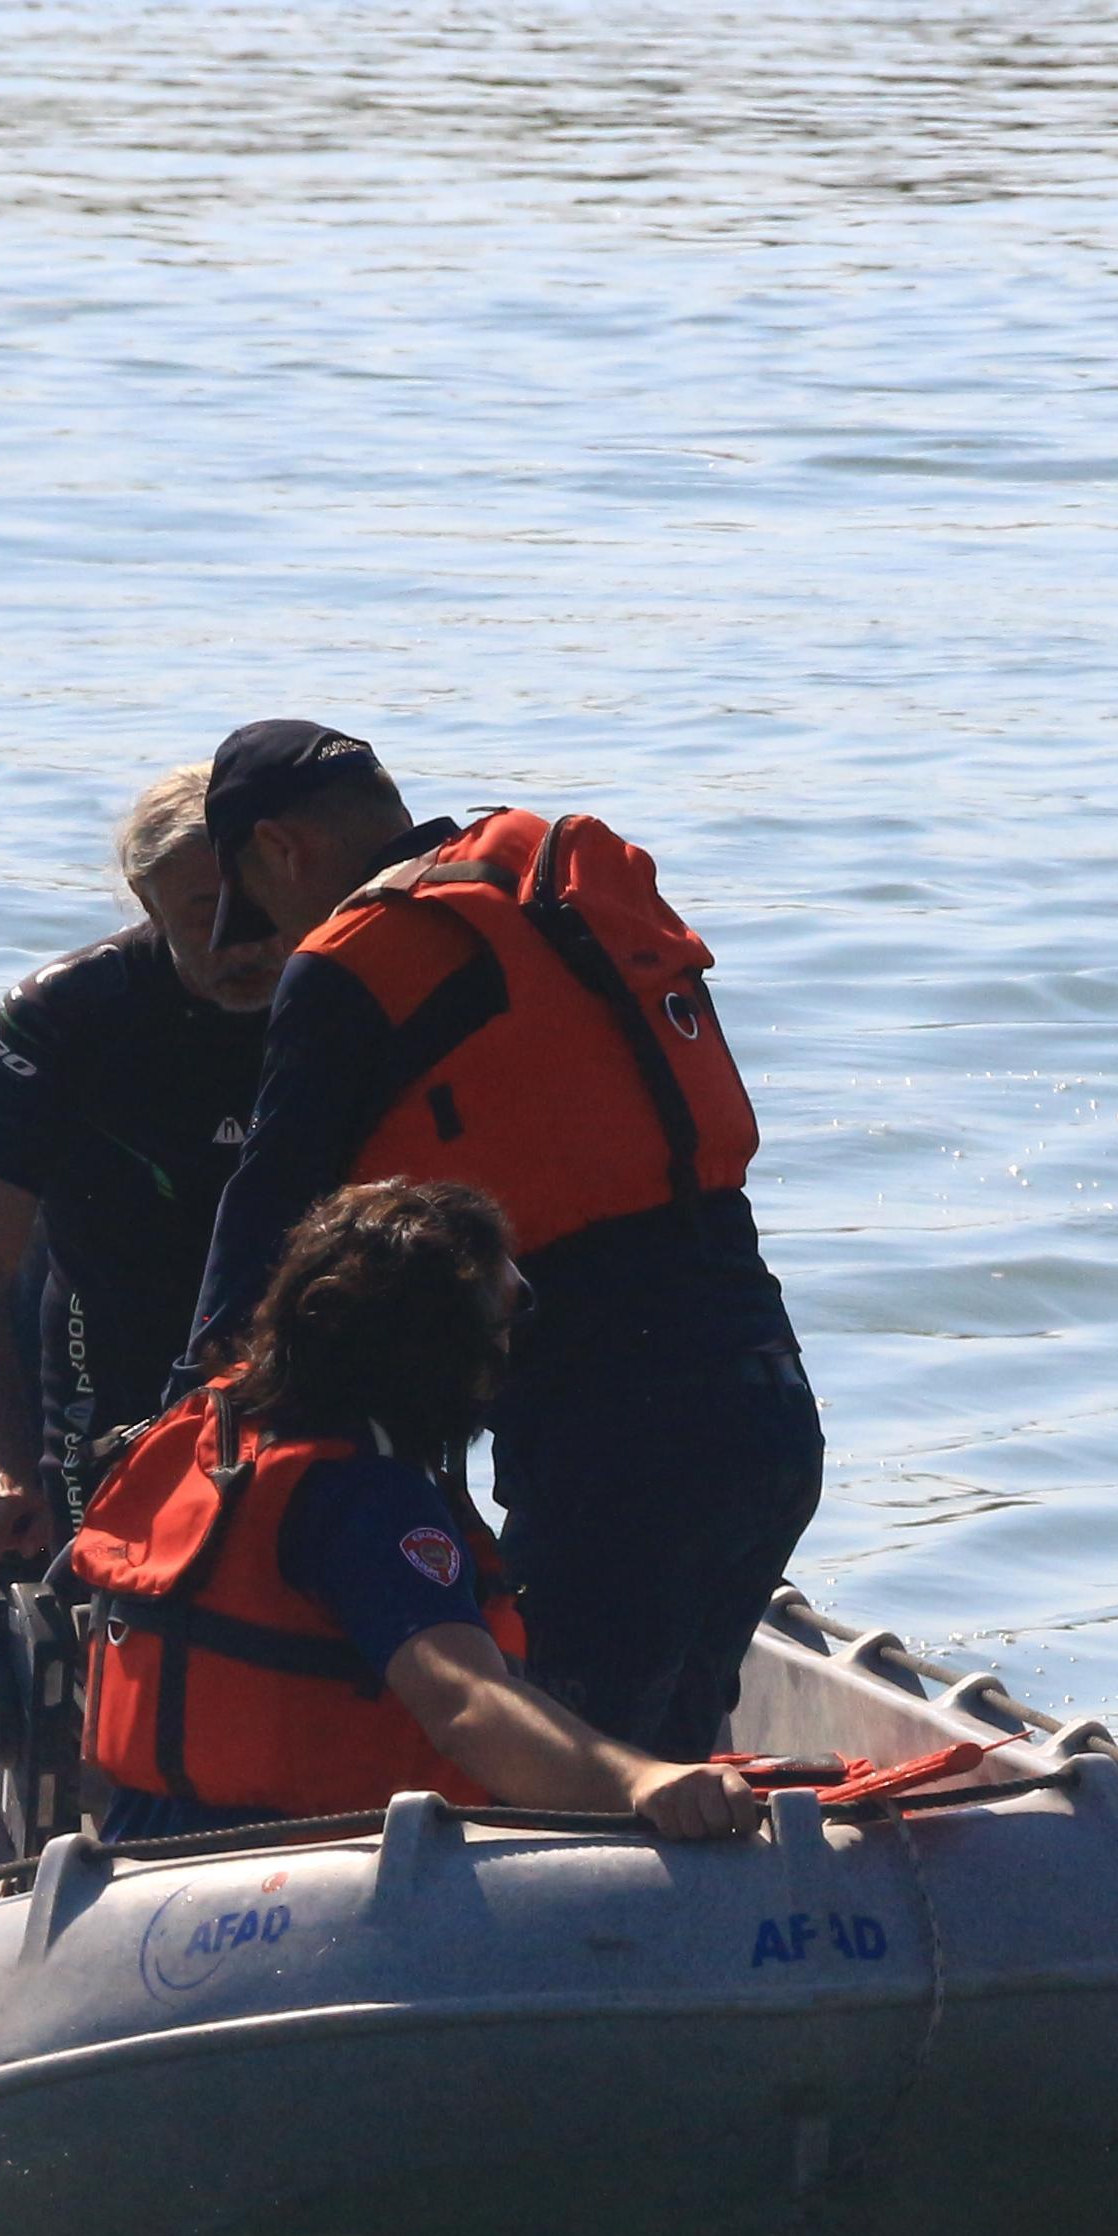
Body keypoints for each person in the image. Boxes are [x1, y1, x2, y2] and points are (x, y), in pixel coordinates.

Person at [165, 721, 821, 1764]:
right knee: (671, 1765)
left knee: (570, 1777)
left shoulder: (352, 960)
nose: (276, 938)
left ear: (281, 851)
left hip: (620, 1441)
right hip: (769, 1410)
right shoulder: (554, 890)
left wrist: (185, 1408)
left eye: (261, 907)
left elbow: (268, 1209)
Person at [75, 1178, 765, 1842]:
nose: (505, 1353)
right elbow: (465, 1704)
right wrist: (641, 1780)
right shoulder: (366, 1499)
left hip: (143, 1857)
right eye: (498, 1328)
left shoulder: (214, 1438)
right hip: (295, 1879)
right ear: (429, 1346)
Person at [0, 761, 290, 1707]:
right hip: (107, 1352)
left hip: (289, 1352)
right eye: (206, 912)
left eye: (263, 910)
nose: (243, 942)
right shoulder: (65, 1015)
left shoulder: (345, 999)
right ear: (147, 898)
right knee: (104, 1640)